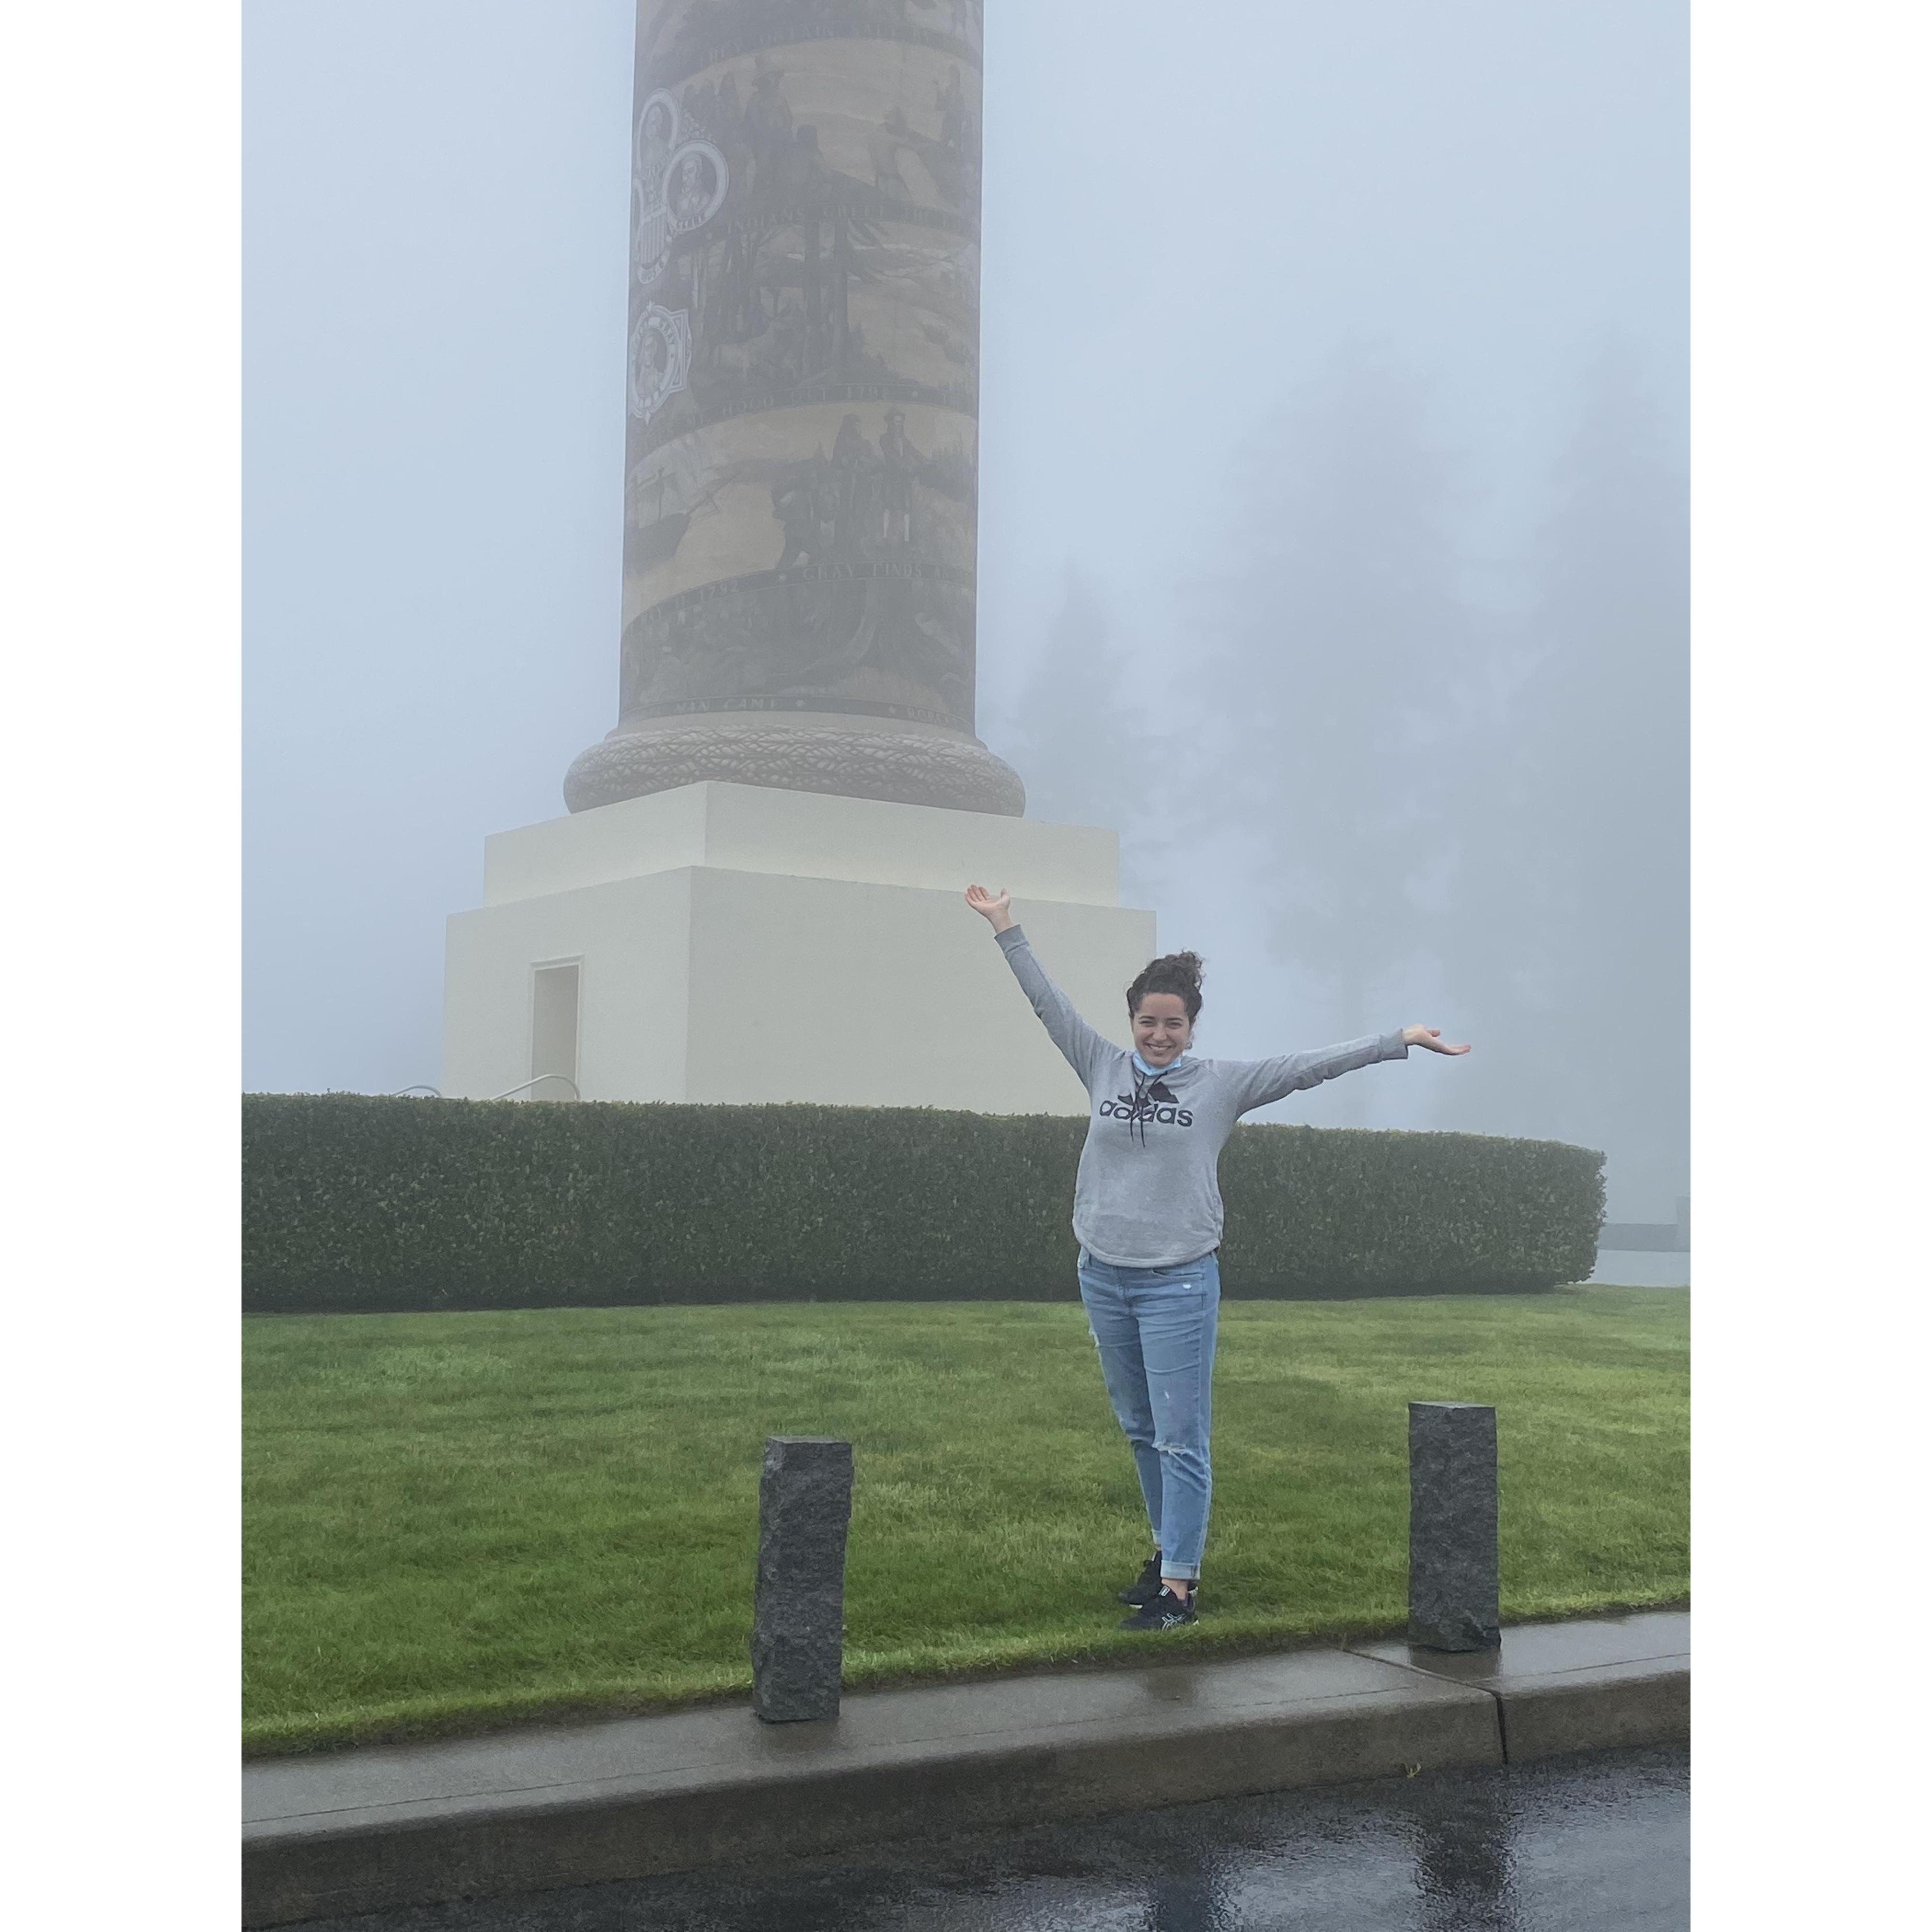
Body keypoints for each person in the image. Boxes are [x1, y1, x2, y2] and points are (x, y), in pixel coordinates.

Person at [963, 885, 1470, 1631]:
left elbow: (1307, 1067)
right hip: (1103, 1271)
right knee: (1139, 1428)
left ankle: (1179, 1589)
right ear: (1132, 1022)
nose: (1159, 1035)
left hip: (1179, 1281)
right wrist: (1006, 928)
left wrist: (1397, 1039)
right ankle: (1166, 1553)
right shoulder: (1101, 1065)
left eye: (1172, 1024)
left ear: (1191, 1027)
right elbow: (1049, 1006)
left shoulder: (1223, 1084)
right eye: (1147, 1022)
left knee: (1181, 1435)